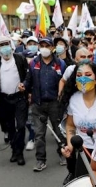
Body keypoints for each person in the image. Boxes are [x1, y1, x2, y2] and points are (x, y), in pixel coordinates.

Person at [60, 62, 96, 187]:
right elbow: (70, 126)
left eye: (88, 74)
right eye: (79, 75)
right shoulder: (73, 99)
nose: (82, 78)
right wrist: (70, 145)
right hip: (83, 152)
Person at [24, 37, 66, 172]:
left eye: (46, 46)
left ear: (52, 47)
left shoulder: (60, 64)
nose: (44, 48)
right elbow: (28, 81)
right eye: (41, 45)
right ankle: (40, 160)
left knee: (59, 131)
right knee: (39, 134)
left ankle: (63, 154)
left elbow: (65, 82)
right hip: (38, 103)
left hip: (55, 104)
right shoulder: (33, 63)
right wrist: (23, 86)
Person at [0, 35, 29, 166]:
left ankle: (20, 152)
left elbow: (27, 76)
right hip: (4, 99)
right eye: (1, 45)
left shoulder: (20, 58)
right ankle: (14, 150)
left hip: (19, 98)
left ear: (11, 45)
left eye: (6, 44)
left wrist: (25, 87)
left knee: (21, 125)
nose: (4, 48)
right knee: (9, 126)